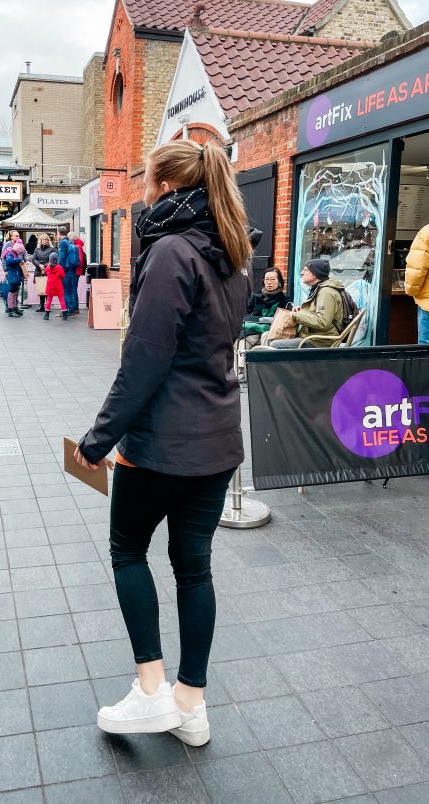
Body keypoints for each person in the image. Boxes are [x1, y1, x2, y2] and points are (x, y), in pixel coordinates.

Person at [74, 139, 251, 746]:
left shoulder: (172, 249)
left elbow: (145, 359)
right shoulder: (231, 248)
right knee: (193, 568)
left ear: (165, 186)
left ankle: (150, 690)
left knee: (128, 549)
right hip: (218, 440)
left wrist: (97, 440)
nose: (142, 192)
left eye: (147, 181)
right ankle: (190, 704)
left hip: (164, 444)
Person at [266, 259, 344, 348]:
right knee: (268, 335)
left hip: (319, 341)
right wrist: (302, 311)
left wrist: (296, 315)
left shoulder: (326, 292)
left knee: (275, 344)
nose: (302, 273)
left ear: (315, 274)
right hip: (312, 337)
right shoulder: (320, 289)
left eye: (305, 270)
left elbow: (323, 322)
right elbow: (318, 314)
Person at [241, 267, 287, 344]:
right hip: (254, 328)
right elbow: (245, 315)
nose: (269, 282)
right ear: (263, 281)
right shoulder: (255, 296)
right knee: (244, 339)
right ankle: (242, 356)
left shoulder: (284, 300)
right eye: (267, 279)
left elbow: (282, 322)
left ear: (279, 282)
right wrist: (257, 327)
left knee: (266, 336)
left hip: (272, 331)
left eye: (272, 279)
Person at [404, 222, 429, 345]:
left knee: (425, 351)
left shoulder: (426, 233)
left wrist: (411, 291)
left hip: (428, 304)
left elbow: (416, 269)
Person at [57, 226, 80, 315]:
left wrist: (59, 268)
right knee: (72, 289)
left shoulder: (62, 243)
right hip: (73, 269)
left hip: (66, 270)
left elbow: (61, 257)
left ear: (59, 233)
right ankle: (73, 309)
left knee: (66, 290)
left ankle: (67, 310)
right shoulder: (70, 242)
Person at [31, 233, 54, 312]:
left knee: (48, 289)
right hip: (39, 271)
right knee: (41, 288)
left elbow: (54, 259)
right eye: (43, 239)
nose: (45, 241)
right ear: (40, 240)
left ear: (48, 240)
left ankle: (48, 306)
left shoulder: (52, 249)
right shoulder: (37, 249)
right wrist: (39, 265)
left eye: (46, 239)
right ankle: (41, 306)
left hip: (49, 271)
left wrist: (46, 265)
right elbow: (33, 259)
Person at [43, 252, 67, 321]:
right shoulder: (60, 268)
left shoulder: (47, 268)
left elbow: (46, 274)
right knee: (61, 300)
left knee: (49, 300)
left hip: (50, 286)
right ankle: (64, 314)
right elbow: (63, 276)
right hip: (58, 286)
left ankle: (47, 314)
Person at [4, 240, 25, 317]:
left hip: (15, 276)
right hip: (13, 276)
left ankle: (14, 307)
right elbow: (10, 261)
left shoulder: (13, 253)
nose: (20, 253)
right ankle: (10, 309)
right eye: (20, 251)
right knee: (12, 292)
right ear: (17, 249)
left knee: (15, 292)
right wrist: (19, 260)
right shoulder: (10, 253)